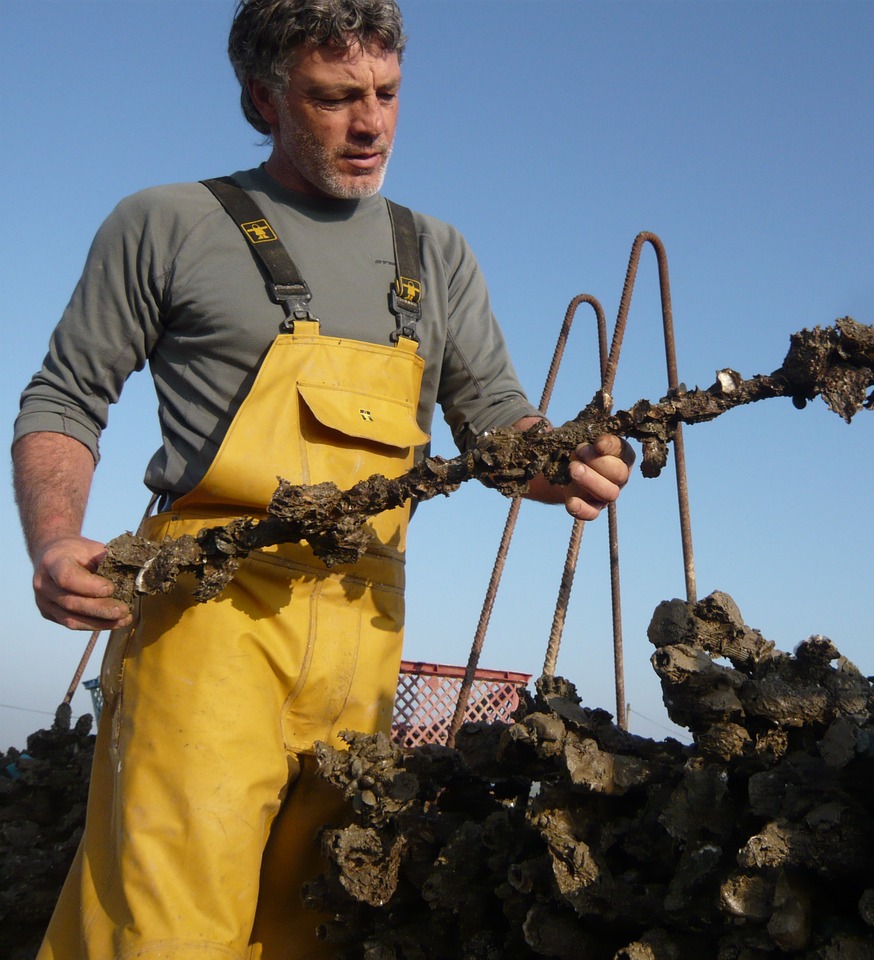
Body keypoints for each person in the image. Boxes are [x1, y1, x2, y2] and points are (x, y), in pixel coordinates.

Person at [11, 2, 633, 958]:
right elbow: (64, 397)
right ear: (263, 98)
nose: (371, 123)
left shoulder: (437, 254)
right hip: (206, 622)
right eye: (335, 97)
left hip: (365, 625)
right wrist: (56, 540)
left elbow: (500, 422)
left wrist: (565, 461)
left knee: (318, 923)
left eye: (386, 94)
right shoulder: (168, 222)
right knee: (166, 928)